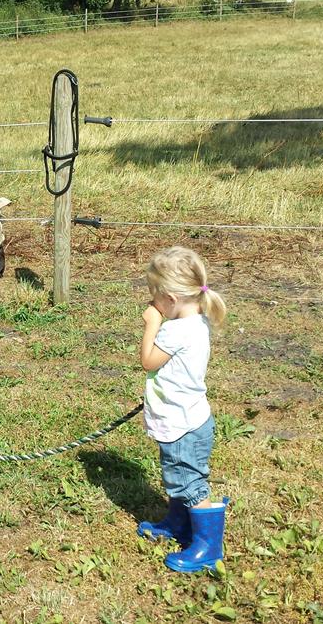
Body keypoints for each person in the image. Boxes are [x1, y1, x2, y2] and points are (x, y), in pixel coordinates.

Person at [135, 246, 229, 573]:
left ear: (171, 298)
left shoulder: (174, 330)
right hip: (192, 419)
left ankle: (208, 546)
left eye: (154, 295)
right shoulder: (198, 322)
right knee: (179, 477)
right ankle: (179, 522)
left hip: (182, 426)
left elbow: (148, 360)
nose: (152, 302)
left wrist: (152, 323)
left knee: (189, 484)